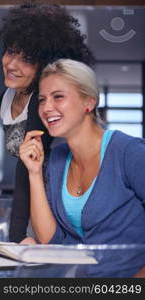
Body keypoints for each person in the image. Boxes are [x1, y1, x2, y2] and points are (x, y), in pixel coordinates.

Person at [19, 59, 145, 277]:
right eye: (42, 99)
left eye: (58, 96)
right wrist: (34, 172)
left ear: (89, 102)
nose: (47, 108)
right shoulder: (58, 158)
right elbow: (51, 239)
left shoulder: (128, 152)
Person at [0, 2, 95, 243]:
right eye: (10, 52)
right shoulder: (5, 99)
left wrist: (17, 237)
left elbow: (25, 169)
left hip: (59, 207)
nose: (11, 64)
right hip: (35, 199)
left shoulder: (40, 104)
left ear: (45, 65)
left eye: (26, 59)